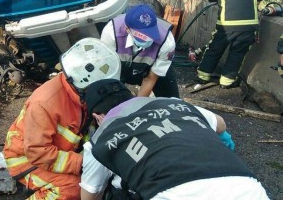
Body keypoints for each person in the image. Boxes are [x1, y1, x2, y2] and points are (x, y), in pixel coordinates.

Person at [78, 79, 270, 200]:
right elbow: (220, 124)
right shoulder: (174, 103)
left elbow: (89, 195)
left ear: (98, 116)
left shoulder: (100, 141)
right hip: (247, 188)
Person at [3, 38, 121, 200]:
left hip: (63, 152)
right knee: (73, 189)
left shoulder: (81, 95)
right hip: (27, 160)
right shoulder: (44, 103)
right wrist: (83, 163)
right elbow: (37, 153)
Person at [197, 0, 267, 88]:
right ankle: (227, 81)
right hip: (249, 24)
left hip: (226, 23)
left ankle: (203, 76)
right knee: (238, 52)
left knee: (215, 48)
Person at [100, 4, 178, 98]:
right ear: (127, 29)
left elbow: (150, 79)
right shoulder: (111, 32)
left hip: (149, 69)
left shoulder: (166, 41)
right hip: (118, 67)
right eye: (142, 36)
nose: (148, 39)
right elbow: (109, 73)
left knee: (171, 102)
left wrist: (137, 106)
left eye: (150, 34)